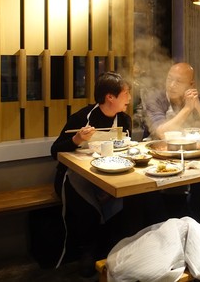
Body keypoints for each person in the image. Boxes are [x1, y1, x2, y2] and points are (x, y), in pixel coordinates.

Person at [50, 71, 132, 276]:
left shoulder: (124, 119)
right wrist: (76, 139)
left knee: (127, 203)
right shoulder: (81, 118)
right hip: (75, 177)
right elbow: (54, 151)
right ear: (110, 97)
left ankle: (114, 254)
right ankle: (88, 252)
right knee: (88, 209)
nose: (129, 98)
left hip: (110, 175)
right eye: (126, 94)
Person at [142, 62, 200, 139]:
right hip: (155, 144)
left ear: (191, 85)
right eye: (169, 79)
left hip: (187, 144)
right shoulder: (156, 99)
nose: (171, 85)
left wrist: (199, 107)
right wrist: (187, 108)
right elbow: (162, 134)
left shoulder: (195, 97)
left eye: (179, 81)